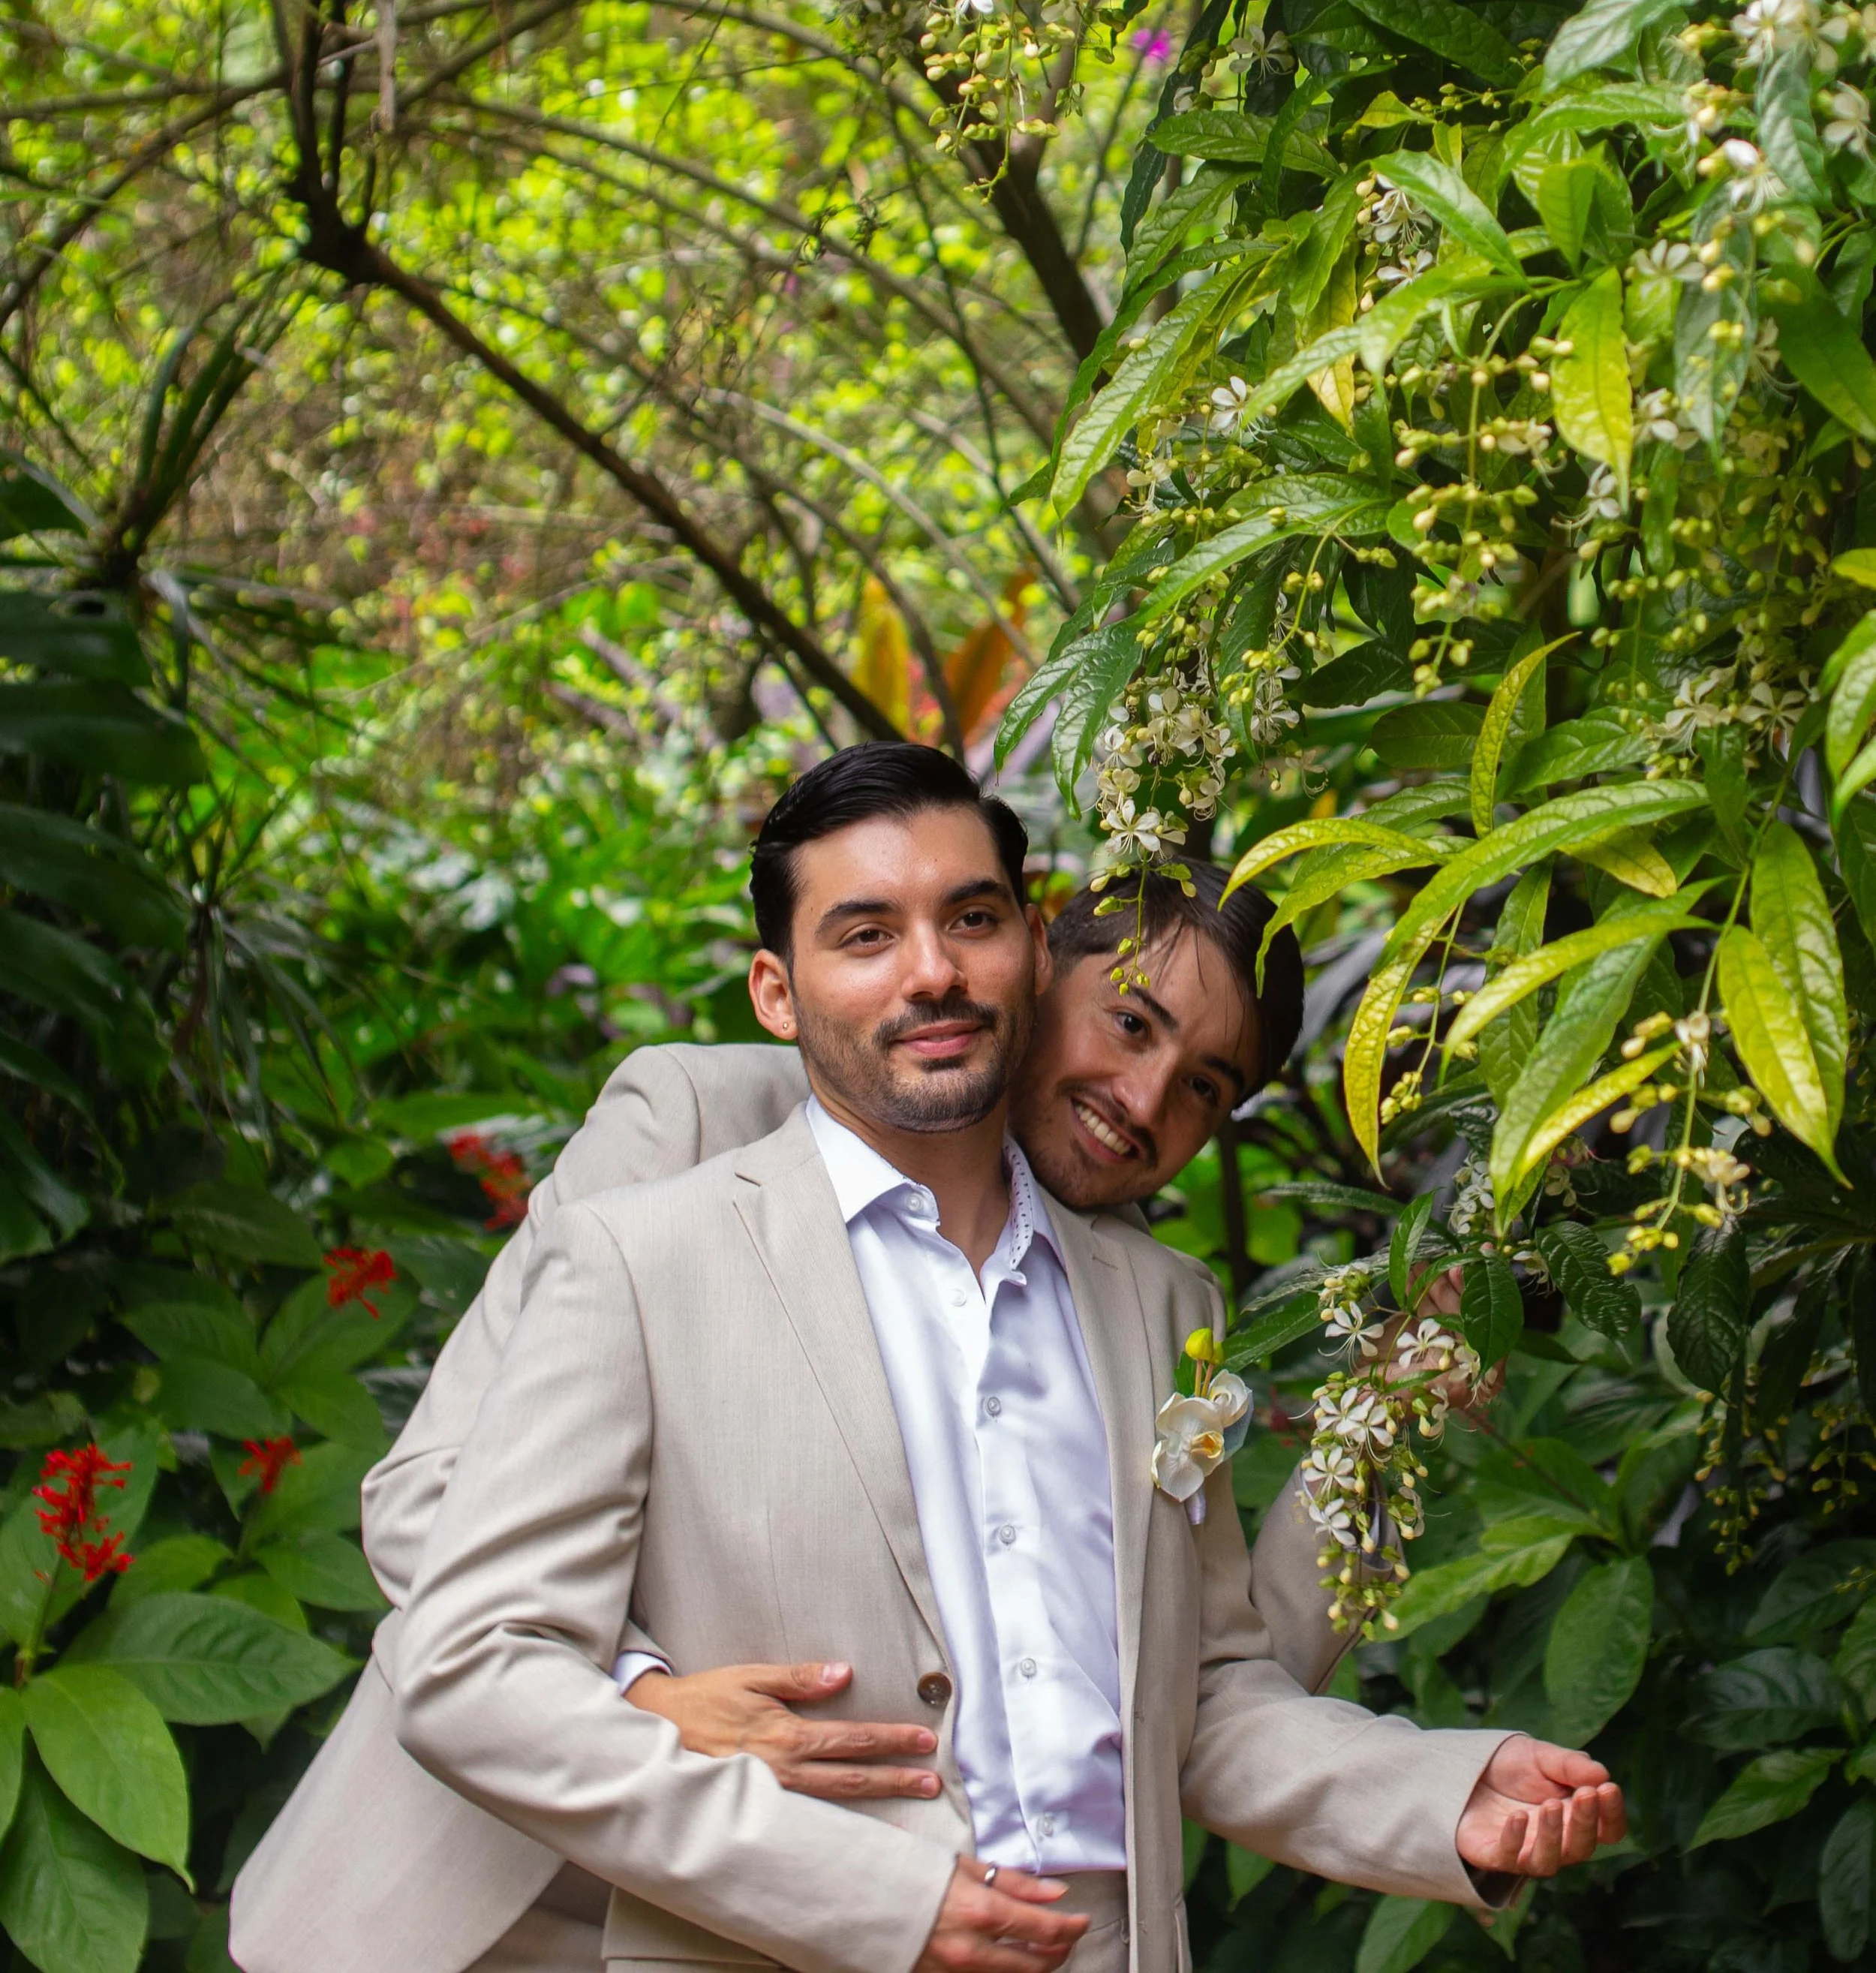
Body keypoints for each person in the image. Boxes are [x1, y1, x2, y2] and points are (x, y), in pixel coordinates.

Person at [267, 745, 1619, 1973]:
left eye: (1206, 1087)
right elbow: (434, 1507)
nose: (1143, 1101)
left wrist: (1390, 1414)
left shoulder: (1154, 1304)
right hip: (556, 1908)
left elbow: (1188, 1687)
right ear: (1044, 963)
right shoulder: (693, 1143)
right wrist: (641, 1695)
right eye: (1130, 1023)